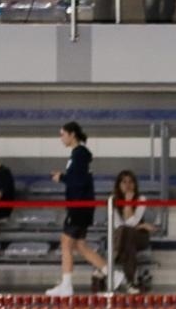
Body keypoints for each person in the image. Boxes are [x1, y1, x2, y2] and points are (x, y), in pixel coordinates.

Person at [47, 122, 122, 297]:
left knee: (66, 242)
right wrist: (65, 176)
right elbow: (78, 177)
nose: (61, 138)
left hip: (79, 206)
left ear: (72, 134)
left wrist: (62, 177)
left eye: (62, 134)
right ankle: (114, 274)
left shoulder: (79, 154)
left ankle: (66, 285)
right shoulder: (78, 155)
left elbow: (78, 180)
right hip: (83, 206)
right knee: (80, 246)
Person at [113, 169, 156, 293]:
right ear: (118, 185)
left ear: (135, 185)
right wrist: (142, 225)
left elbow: (131, 222)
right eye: (124, 182)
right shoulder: (112, 201)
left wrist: (128, 203)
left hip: (140, 238)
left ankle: (114, 271)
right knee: (128, 236)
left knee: (129, 234)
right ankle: (130, 281)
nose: (128, 185)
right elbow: (119, 225)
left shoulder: (141, 198)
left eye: (131, 182)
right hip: (124, 236)